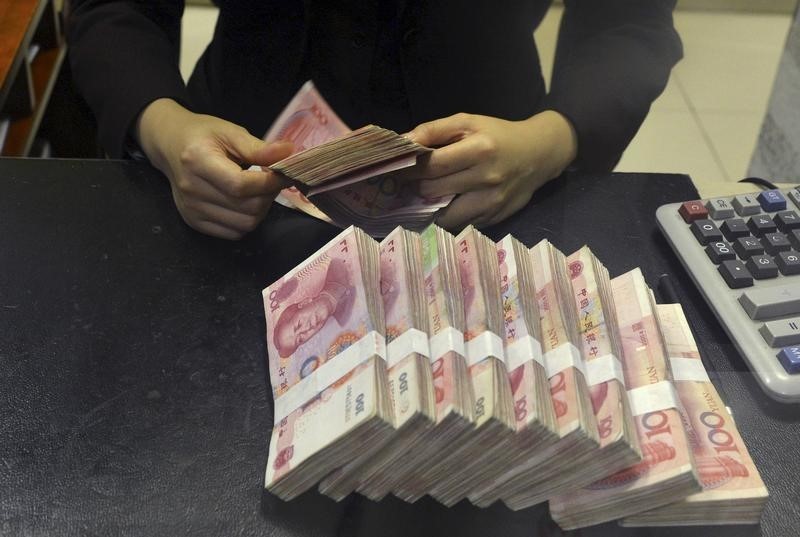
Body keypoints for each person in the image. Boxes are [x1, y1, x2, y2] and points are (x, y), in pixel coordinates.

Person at [67, 1, 682, 239]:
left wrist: (552, 139)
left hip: (493, 178)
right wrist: (163, 127)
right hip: (232, 181)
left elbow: (627, 24)